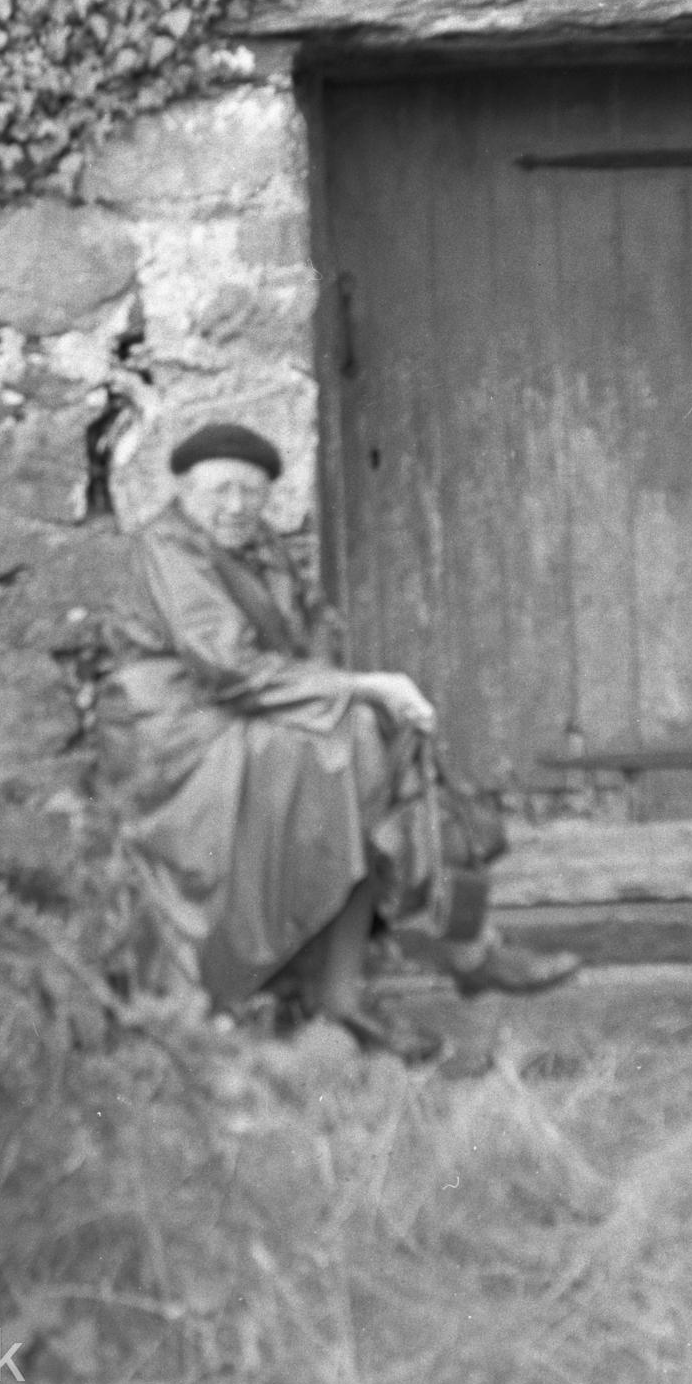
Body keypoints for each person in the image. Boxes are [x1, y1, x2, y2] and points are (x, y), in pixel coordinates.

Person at [100, 420, 578, 1061]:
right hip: (175, 734)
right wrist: (358, 686)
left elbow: (315, 626)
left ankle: (441, 953)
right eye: (221, 491)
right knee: (358, 745)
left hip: (245, 713)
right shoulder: (168, 549)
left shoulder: (257, 546)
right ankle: (438, 959)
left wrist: (345, 680)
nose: (238, 506)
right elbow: (225, 667)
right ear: (183, 490)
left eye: (252, 493)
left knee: (382, 741)